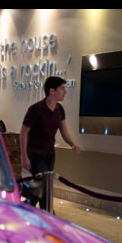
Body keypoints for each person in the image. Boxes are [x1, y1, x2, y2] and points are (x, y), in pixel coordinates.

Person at [20, 76, 81, 210]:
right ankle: (49, 216)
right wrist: (24, 156)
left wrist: (72, 144)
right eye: (62, 88)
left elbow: (64, 131)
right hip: (35, 154)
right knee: (44, 187)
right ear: (52, 91)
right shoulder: (36, 109)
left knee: (44, 188)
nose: (65, 91)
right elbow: (24, 132)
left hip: (50, 155)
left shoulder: (60, 110)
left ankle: (28, 210)